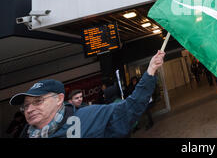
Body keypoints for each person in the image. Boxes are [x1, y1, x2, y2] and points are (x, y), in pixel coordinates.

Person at [9, 50, 165, 138]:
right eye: (26, 106)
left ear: (59, 100)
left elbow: (130, 109)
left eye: (37, 102)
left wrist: (150, 71)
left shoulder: (89, 117)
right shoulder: (25, 135)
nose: (29, 109)